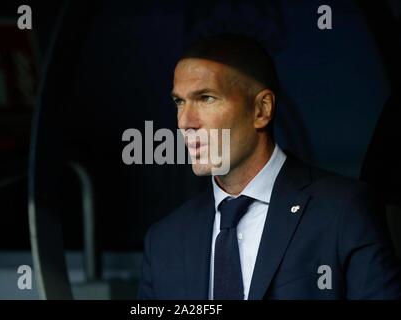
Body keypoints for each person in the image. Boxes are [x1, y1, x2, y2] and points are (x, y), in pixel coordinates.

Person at [137, 33, 401, 299]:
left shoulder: (343, 211)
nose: (184, 122)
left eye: (206, 98)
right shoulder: (163, 241)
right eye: (179, 102)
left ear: (261, 110)